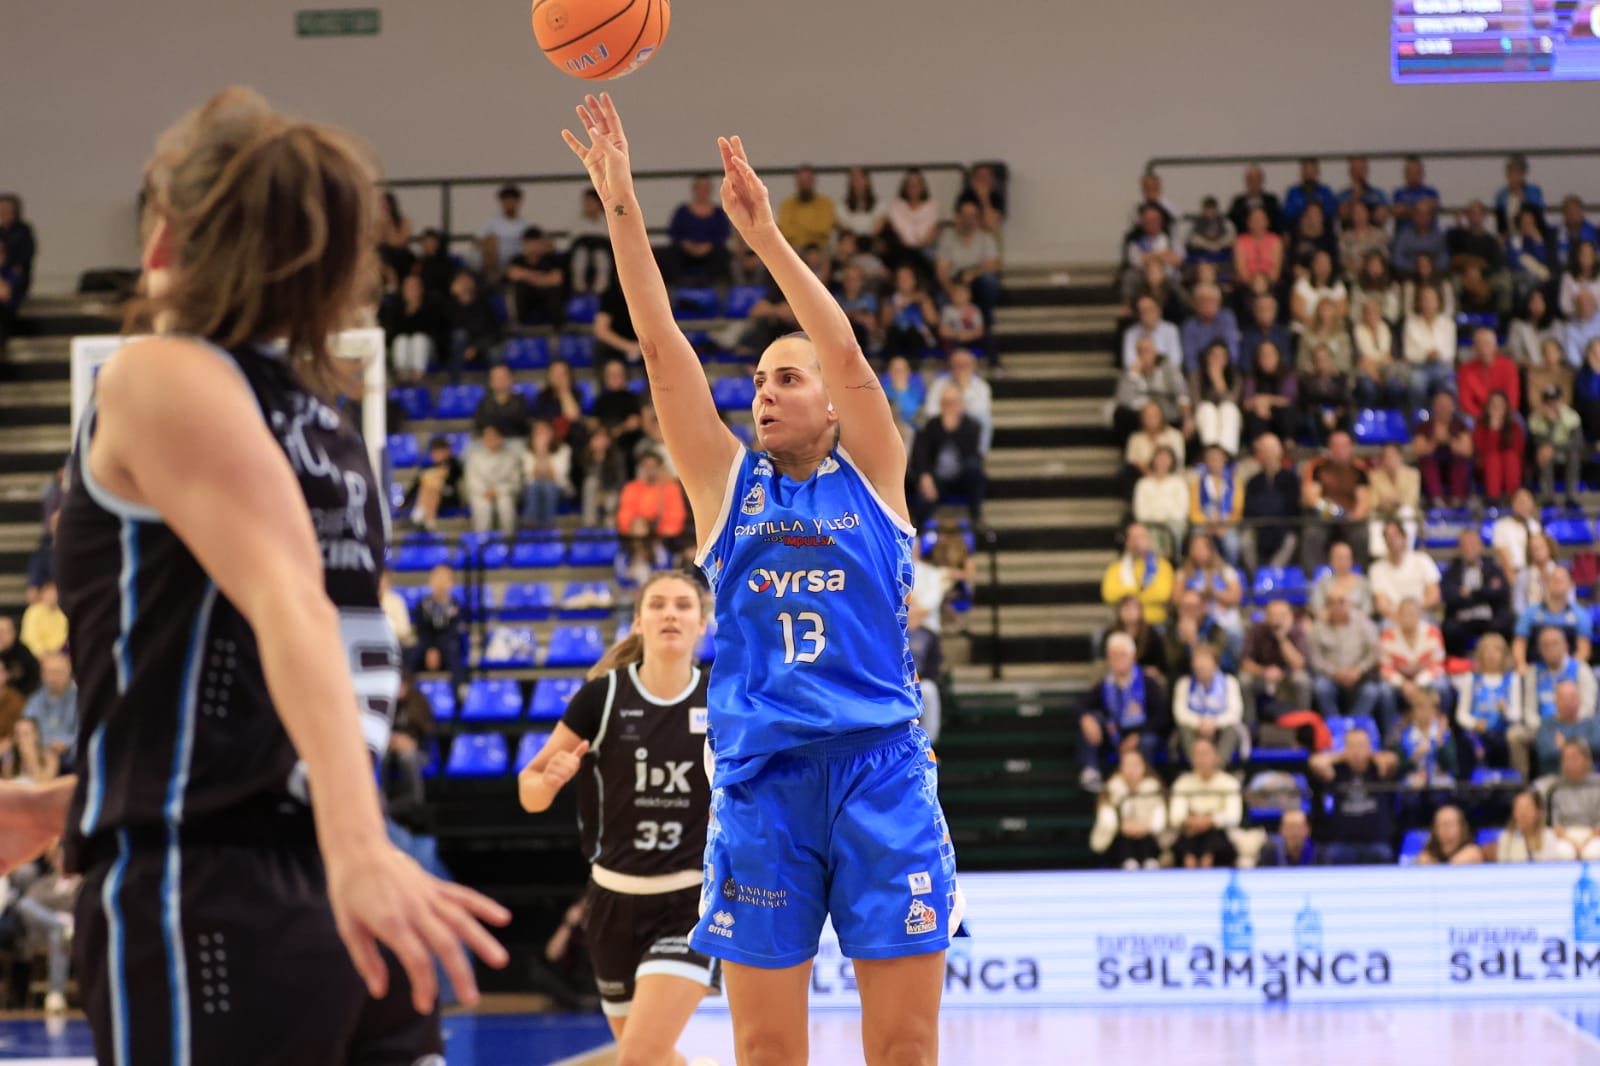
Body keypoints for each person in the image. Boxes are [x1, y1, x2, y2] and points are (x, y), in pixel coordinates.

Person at [21, 88, 509, 1065]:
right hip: (332, 883)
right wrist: (69, 799)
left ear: (170, 234)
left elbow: (292, 612)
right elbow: (306, 673)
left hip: (206, 896)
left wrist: (360, 844)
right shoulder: (329, 431)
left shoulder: (158, 376)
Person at [564, 96, 957, 1065]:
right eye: (759, 381)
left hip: (881, 775)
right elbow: (660, 347)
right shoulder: (724, 483)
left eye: (788, 377)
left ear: (830, 401)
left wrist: (769, 241)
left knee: (904, 1047)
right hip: (763, 786)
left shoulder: (871, 474)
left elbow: (854, 361)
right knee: (767, 1052)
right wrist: (621, 203)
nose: (764, 391)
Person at [518, 572, 718, 1065]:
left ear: (703, 624)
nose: (670, 613)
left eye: (682, 606)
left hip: (689, 902)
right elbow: (530, 792)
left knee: (637, 1058)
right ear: (638, 622)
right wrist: (550, 780)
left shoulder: (721, 700)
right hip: (610, 902)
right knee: (650, 1055)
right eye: (657, 604)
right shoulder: (602, 697)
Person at [1079, 633, 1171, 793]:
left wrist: (1138, 735)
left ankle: (1144, 779)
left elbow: (1161, 716)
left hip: (1142, 735)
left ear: (1132, 656)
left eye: (1122, 654)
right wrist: (1085, 717)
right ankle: (1090, 771)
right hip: (1114, 735)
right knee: (1090, 721)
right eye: (1113, 655)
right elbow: (1081, 704)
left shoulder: (1147, 683)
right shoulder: (1105, 684)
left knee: (1148, 741)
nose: (1118, 659)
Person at [1310, 731, 1399, 865]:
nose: (1357, 751)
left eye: (1361, 745)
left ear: (1369, 747)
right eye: (1352, 746)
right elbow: (1315, 762)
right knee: (1331, 855)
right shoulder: (1338, 770)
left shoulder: (1377, 768)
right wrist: (1341, 757)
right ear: (1345, 749)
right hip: (1343, 843)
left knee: (1384, 854)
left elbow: (1392, 759)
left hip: (1376, 842)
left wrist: (1372, 756)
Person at [1454, 634, 1532, 778]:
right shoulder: (1470, 679)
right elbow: (1461, 714)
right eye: (1487, 651)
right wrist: (1474, 723)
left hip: (1502, 733)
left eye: (1496, 651)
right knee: (1466, 741)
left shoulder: (1512, 679)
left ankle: (1515, 783)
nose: (1491, 656)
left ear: (1503, 655)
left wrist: (1505, 711)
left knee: (1509, 741)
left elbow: (1516, 715)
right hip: (1477, 732)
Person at [1309, 589, 1387, 728]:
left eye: (1342, 602)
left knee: (1371, 691)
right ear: (1327, 606)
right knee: (1321, 687)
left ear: (1350, 604)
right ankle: (1335, 728)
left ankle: (1354, 727)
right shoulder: (1318, 627)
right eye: (1332, 602)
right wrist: (1334, 672)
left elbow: (1375, 652)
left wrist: (1358, 670)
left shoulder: (1363, 623)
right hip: (1331, 676)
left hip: (1359, 676)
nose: (1337, 606)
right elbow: (1315, 658)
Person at [1168, 737, 1240, 868]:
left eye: (1206, 754)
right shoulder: (1182, 783)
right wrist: (1194, 821)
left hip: (1219, 835)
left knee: (1215, 839)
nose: (1202, 759)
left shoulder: (1229, 783)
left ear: (1216, 756)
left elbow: (1233, 816)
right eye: (1198, 755)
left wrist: (1209, 820)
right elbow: (1176, 817)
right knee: (1184, 844)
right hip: (1189, 833)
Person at [1239, 599, 1311, 730]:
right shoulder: (1256, 630)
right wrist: (1264, 671)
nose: (1278, 620)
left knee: (1302, 680)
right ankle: (1249, 726)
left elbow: (1299, 665)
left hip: (1287, 677)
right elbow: (1245, 663)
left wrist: (1282, 638)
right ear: (1267, 617)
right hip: (1262, 677)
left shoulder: (1297, 631)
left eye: (1282, 616)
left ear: (1290, 616)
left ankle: (1303, 726)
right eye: (1274, 615)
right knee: (1244, 679)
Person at [1087, 750, 1166, 870]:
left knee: (1148, 841)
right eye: (1128, 765)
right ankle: (1127, 862)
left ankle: (1150, 861)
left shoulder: (1154, 788)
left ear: (1144, 767)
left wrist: (1145, 827)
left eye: (1135, 765)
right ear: (1120, 768)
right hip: (1120, 839)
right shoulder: (1111, 789)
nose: (1131, 770)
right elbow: (1107, 818)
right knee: (1122, 841)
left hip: (1148, 836)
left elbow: (1160, 817)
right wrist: (1122, 826)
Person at [1440, 529, 1512, 656]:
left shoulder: (1493, 568)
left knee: (1506, 623)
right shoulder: (1452, 570)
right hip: (1461, 619)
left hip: (1489, 618)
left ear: (1480, 546)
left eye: (1472, 544)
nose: (1469, 548)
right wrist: (1483, 593)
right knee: (1449, 630)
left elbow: (1500, 592)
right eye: (1465, 545)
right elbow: (1449, 595)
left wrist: (1471, 593)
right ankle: (1457, 666)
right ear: (1459, 548)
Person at [1171, 645, 1244, 766]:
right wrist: (1200, 723)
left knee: (1232, 729)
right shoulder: (1184, 683)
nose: (1200, 665)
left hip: (1220, 729)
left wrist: (1214, 723)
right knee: (1184, 729)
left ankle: (1217, 768)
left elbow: (1235, 713)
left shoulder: (1229, 682)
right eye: (1197, 661)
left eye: (1205, 660)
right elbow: (1180, 713)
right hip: (1195, 729)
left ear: (1215, 663)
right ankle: (1199, 767)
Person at [1513, 568, 1592, 670]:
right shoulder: (1529, 613)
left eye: (1561, 580)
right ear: (1546, 583)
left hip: (1568, 674)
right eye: (1554, 579)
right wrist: (1521, 665)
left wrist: (1570, 671)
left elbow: (1584, 649)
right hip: (1534, 670)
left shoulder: (1581, 615)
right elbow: (1519, 643)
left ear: (1571, 585)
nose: (1557, 582)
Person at [1101, 522, 1175, 625]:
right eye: (1133, 537)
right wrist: (1144, 594)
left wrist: (1130, 597)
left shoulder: (1163, 565)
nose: (1137, 542)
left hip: (1155, 623)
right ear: (1127, 542)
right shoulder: (1115, 568)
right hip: (1124, 623)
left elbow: (1163, 594)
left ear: (1149, 540)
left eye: (1141, 537)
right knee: (1100, 637)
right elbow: (1109, 595)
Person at [1369, 520, 1441, 623]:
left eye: (1395, 535)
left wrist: (1411, 613)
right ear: (1384, 541)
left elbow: (1434, 595)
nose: (1392, 540)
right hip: (1393, 618)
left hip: (1421, 614)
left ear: (1404, 537)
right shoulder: (1376, 568)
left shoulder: (1422, 560)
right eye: (1388, 537)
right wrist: (1401, 617)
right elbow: (1382, 604)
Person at [1523, 625, 1598, 724]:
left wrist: (1565, 725)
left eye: (1555, 643)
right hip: (1542, 728)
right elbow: (1529, 712)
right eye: (1545, 645)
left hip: (1576, 726)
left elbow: (1588, 708)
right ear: (1539, 650)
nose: (1550, 648)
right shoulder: (1534, 672)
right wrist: (1544, 728)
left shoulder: (1580, 669)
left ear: (1566, 646)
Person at [666, 175, 733, 283]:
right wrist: (688, 245)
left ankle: (714, 286)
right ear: (694, 189)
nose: (703, 192)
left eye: (706, 188)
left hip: (711, 251)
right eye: (700, 188)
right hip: (685, 251)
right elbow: (674, 233)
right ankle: (678, 285)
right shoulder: (682, 211)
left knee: (723, 255)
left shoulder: (718, 213)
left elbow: (724, 234)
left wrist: (707, 246)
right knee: (670, 255)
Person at [1529, 384, 1587, 507]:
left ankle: (1571, 497)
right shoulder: (1536, 419)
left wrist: (1554, 447)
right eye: (1548, 402)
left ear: (1561, 401)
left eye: (1555, 401)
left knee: (1573, 455)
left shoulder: (1571, 416)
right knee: (1544, 453)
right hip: (1545, 455)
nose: (1552, 406)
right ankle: (1548, 497)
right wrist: (1551, 424)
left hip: (1567, 453)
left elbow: (1577, 443)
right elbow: (1537, 443)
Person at [464, 425, 522, 536]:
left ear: (500, 438)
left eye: (493, 437)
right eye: (487, 437)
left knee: (505, 505)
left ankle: (508, 541)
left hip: (504, 493)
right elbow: (472, 480)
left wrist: (498, 490)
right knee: (483, 507)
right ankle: (482, 543)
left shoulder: (510, 457)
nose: (490, 440)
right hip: (481, 493)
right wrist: (485, 491)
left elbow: (515, 482)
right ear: (482, 440)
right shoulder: (474, 457)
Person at [505, 226, 567, 327]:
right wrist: (544, 278)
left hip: (546, 297)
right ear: (524, 244)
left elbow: (556, 279)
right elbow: (513, 274)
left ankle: (557, 328)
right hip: (527, 299)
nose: (533, 247)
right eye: (530, 243)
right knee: (519, 288)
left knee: (554, 291)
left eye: (536, 243)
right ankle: (518, 325)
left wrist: (526, 275)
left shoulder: (551, 260)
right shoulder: (517, 260)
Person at [1133, 447, 1188, 560]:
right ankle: (1151, 565)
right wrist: (1156, 521)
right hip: (1149, 522)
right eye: (1160, 457)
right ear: (1153, 460)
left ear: (1172, 461)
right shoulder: (1143, 483)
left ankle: (1175, 561)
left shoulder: (1179, 482)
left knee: (1175, 529)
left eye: (1166, 457)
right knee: (1145, 531)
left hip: (1172, 522)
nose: (1162, 460)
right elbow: (1140, 511)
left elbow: (1182, 510)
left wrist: (1164, 520)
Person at [1472, 390, 1525, 505]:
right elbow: (1481, 451)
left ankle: (1512, 498)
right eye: (1494, 405)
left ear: (1506, 408)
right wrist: (1493, 431)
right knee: (1493, 458)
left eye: (1500, 405)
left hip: (1510, 465)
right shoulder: (1481, 427)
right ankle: (1494, 500)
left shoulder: (1514, 427)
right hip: (1486, 467)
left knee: (1510, 457)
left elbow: (1518, 451)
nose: (1497, 408)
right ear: (1488, 407)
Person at [1496, 789, 1576, 863]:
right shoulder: (1506, 837)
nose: (1523, 813)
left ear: (1537, 812)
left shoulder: (1548, 836)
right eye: (1519, 808)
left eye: (1527, 808)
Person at [522, 420, 573, 529]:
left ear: (552, 433)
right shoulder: (528, 450)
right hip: (534, 486)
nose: (541, 435)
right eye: (538, 432)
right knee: (536, 486)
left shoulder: (564, 449)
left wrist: (544, 454)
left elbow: (555, 477)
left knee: (548, 486)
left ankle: (544, 526)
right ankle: (532, 525)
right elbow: (532, 477)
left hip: (559, 487)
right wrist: (539, 454)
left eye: (544, 432)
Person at [776, 165, 835, 251]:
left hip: (820, 247)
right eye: (802, 181)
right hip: (795, 247)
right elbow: (786, 231)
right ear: (797, 183)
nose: (804, 185)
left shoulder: (826, 203)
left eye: (807, 181)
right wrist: (810, 232)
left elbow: (824, 229)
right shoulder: (786, 205)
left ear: (813, 182)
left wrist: (799, 230)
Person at [477, 182, 526, 281]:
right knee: (490, 241)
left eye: (513, 199)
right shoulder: (491, 224)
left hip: (519, 263)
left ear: (518, 201)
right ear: (501, 201)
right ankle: (493, 278)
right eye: (506, 199)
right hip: (496, 264)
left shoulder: (526, 225)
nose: (509, 202)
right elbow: (477, 242)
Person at [1415, 805, 1483, 865]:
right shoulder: (1427, 855)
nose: (1445, 829)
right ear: (1434, 829)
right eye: (1441, 824)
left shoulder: (1472, 852)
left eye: (1450, 824)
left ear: (1462, 827)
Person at [18, 581, 67, 659]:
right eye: (50, 593)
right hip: (38, 656)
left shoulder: (63, 612)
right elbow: (29, 637)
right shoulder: (33, 611)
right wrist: (42, 653)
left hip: (62, 655)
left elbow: (66, 636)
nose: (53, 596)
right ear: (42, 594)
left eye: (56, 593)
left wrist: (60, 653)